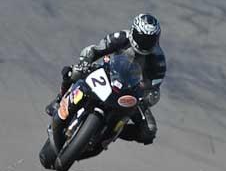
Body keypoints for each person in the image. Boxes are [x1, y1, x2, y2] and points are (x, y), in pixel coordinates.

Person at [46, 13, 166, 146]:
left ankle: (114, 132)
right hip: (108, 73)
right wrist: (85, 62)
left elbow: (155, 85)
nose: (145, 43)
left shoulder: (158, 59)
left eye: (149, 40)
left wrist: (148, 94)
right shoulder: (121, 37)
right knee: (72, 72)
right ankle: (59, 99)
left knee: (149, 130)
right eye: (142, 38)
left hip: (131, 92)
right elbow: (95, 50)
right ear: (133, 31)